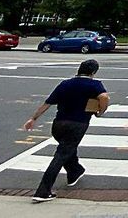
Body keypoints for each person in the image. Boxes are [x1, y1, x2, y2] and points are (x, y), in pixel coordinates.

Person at [23, 59, 110, 202]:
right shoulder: (94, 84)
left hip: (58, 124)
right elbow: (104, 97)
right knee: (61, 155)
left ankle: (75, 171)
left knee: (67, 150)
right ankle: (43, 192)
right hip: (77, 124)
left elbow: (48, 103)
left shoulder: (65, 84)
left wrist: (33, 118)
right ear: (93, 72)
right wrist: (101, 111)